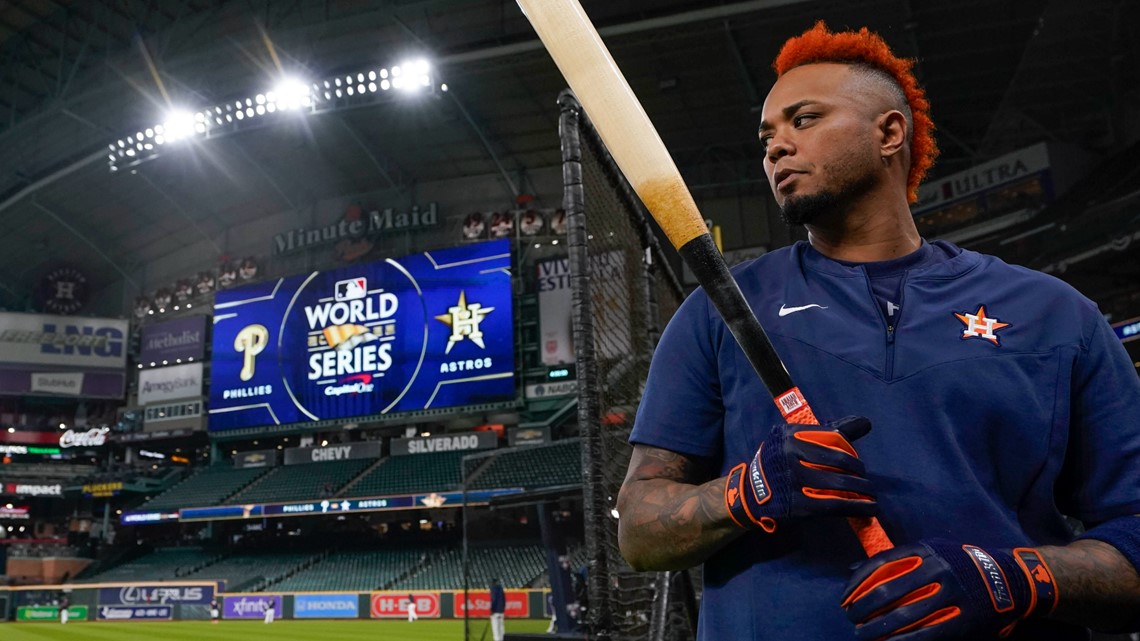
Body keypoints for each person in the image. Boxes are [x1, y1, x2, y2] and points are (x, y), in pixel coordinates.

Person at [617, 21, 1140, 641]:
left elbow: (1131, 540)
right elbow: (638, 530)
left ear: (890, 132)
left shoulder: (1057, 315)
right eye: (768, 137)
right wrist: (747, 491)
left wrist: (1011, 579)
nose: (776, 147)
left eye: (804, 119)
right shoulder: (719, 311)